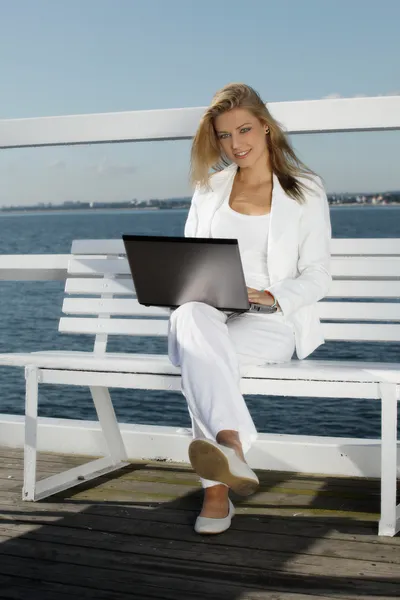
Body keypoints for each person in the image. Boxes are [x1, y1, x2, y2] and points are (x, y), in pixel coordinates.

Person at [168, 82, 332, 534]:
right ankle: (232, 446)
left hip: (272, 315)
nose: (235, 144)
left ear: (265, 127)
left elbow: (319, 273)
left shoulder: (304, 190)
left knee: (203, 361)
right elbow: (190, 260)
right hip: (211, 305)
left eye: (244, 130)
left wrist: (276, 296)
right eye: (224, 135)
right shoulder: (210, 189)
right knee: (190, 318)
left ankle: (217, 493)